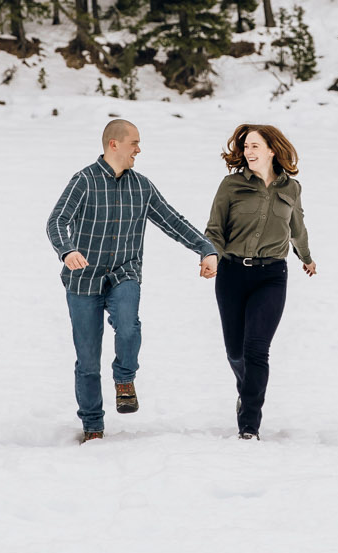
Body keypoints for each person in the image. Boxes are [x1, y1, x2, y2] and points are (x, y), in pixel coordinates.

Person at [45, 118, 218, 443]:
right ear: (114, 144)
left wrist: (205, 249)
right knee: (87, 360)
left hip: (125, 272)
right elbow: (57, 220)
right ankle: (93, 427)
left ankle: (125, 378)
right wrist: (66, 250)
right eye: (134, 142)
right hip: (83, 280)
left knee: (128, 326)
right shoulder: (84, 181)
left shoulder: (142, 186)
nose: (139, 149)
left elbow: (172, 220)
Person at [204, 123, 315, 440]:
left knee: (256, 349)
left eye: (255, 146)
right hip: (231, 273)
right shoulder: (231, 185)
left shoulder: (290, 189)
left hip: (272, 275)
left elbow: (298, 228)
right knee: (235, 352)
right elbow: (215, 229)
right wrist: (211, 255)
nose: (249, 152)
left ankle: (249, 425)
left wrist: (305, 257)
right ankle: (247, 388)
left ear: (271, 149)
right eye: (246, 146)